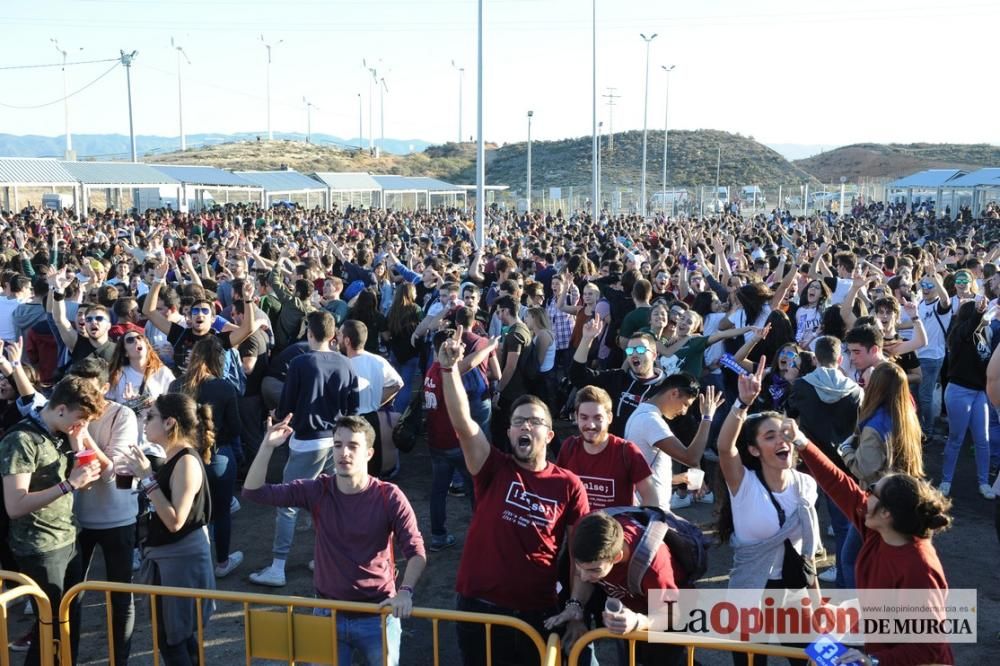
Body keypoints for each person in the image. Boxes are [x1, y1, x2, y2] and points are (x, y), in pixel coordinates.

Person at [439, 327, 589, 666]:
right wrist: (448, 371)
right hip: (481, 608)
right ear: (508, 431)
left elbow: (580, 553)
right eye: (517, 421)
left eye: (533, 422)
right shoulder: (493, 467)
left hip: (537, 612)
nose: (524, 426)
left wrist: (576, 607)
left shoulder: (568, 484)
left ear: (549, 434)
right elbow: (463, 424)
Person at [243, 414, 426, 666]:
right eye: (338, 445)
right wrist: (267, 446)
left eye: (353, 446)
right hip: (327, 613)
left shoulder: (389, 496)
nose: (344, 453)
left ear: (369, 454)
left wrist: (405, 592)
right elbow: (254, 492)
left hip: (378, 613)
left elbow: (416, 550)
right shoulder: (318, 490)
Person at [785, 419, 955, 666]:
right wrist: (801, 441)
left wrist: (872, 660)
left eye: (872, 490)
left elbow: (928, 649)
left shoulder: (919, 569)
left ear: (886, 513)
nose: (864, 494)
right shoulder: (880, 533)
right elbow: (840, 485)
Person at [716, 357, 817, 666]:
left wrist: (816, 604)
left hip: (794, 593)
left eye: (784, 435)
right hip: (749, 595)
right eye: (769, 436)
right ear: (754, 450)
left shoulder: (807, 485)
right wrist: (742, 404)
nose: (780, 441)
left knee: (810, 659)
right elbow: (724, 447)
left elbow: (806, 555)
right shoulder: (743, 483)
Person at [0, 375, 104, 666]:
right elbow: (15, 505)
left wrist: (77, 442)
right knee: (51, 630)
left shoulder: (61, 431)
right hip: (39, 548)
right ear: (60, 409)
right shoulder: (21, 440)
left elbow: (92, 474)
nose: (82, 425)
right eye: (79, 418)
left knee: (70, 626)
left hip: (68, 537)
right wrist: (68, 485)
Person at [251, 311, 359, 588]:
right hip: (334, 441)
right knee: (329, 502)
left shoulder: (300, 362)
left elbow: (286, 405)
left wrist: (278, 415)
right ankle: (328, 558)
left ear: (309, 334)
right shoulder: (346, 364)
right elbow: (353, 409)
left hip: (306, 441)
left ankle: (278, 566)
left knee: (288, 505)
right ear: (334, 336)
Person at [123, 393, 216, 666]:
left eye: (150, 416)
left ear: (169, 423)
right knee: (179, 639)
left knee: (174, 640)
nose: (144, 421)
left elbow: (175, 520)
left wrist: (146, 479)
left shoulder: (186, 461)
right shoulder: (173, 458)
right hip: (170, 560)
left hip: (180, 562)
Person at [544, 511, 688, 666]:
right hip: (633, 607)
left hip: (670, 610)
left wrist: (638, 621)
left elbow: (674, 615)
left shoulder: (654, 567)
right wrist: (575, 605)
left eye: (594, 570)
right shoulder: (584, 531)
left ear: (617, 557)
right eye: (579, 567)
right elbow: (583, 576)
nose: (584, 577)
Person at [785, 335, 863, 587]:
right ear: (840, 359)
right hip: (842, 468)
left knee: (798, 523)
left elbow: (791, 418)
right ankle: (842, 580)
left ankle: (796, 576)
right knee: (842, 528)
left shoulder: (801, 386)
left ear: (815, 358)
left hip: (808, 462)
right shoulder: (856, 391)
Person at [170, 337, 244, 577]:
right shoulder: (224, 387)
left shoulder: (176, 385)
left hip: (184, 458)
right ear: (217, 360)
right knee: (221, 512)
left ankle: (191, 563)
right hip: (218, 457)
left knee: (189, 512)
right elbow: (235, 427)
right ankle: (221, 563)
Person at [422, 329, 497, 552]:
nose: (461, 349)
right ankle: (483, 534)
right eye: (457, 345)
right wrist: (491, 347)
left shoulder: (430, 371)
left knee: (439, 490)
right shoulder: (445, 371)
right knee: (476, 488)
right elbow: (471, 363)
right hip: (455, 443)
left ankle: (437, 535)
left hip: (436, 443)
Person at [624, 374, 722, 510]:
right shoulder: (650, 420)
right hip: (649, 511)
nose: (684, 412)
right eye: (685, 404)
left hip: (648, 507)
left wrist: (679, 478)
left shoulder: (644, 414)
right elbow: (691, 458)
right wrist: (707, 418)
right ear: (674, 393)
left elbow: (646, 471)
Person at [556, 385, 658, 510]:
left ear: (609, 418)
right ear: (576, 417)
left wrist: (633, 525)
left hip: (616, 527)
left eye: (598, 418)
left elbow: (651, 499)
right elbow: (557, 493)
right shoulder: (569, 447)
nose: (591, 425)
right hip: (578, 528)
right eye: (584, 417)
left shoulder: (627, 451)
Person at [570, 319, 668, 437]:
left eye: (640, 349)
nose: (634, 354)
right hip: (611, 450)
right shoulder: (617, 378)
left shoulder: (665, 390)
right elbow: (578, 375)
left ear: (653, 355)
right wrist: (586, 339)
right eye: (630, 350)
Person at [940, 299, 994, 499]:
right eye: (981, 312)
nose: (985, 314)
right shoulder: (959, 335)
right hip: (959, 391)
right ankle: (945, 481)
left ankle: (984, 482)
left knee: (983, 439)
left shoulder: (985, 336)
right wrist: (978, 313)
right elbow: (970, 327)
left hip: (979, 393)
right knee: (956, 439)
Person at [338, 320, 403, 477]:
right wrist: (377, 401)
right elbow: (397, 384)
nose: (337, 337)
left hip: (351, 422)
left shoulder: (343, 365)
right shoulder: (378, 360)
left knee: (351, 471)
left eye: (339, 334)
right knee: (371, 471)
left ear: (347, 340)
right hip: (373, 421)